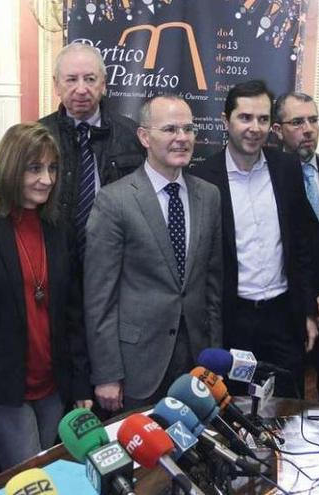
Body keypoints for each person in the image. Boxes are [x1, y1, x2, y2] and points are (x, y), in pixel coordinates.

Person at [84, 95, 223, 412]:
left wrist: (213, 356)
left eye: (188, 129)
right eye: (170, 129)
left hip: (196, 364)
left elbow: (213, 286)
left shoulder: (209, 196)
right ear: (144, 137)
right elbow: (99, 297)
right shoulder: (114, 201)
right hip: (139, 365)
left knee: (194, 456)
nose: (182, 138)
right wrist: (106, 373)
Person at [0, 123, 92, 469]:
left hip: (53, 386)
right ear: (11, 168)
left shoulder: (57, 229)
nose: (47, 179)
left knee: (52, 472)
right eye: (35, 168)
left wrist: (80, 383)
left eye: (52, 168)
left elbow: (73, 313)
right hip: (5, 390)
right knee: (33, 478)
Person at [189, 80, 318, 398]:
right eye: (245, 118)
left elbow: (303, 244)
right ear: (225, 121)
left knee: (287, 409)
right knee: (233, 409)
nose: (254, 128)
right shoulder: (204, 179)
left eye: (262, 119)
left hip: (283, 317)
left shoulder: (287, 169)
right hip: (233, 320)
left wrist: (308, 311)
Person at [272, 91, 319, 402]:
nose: (308, 129)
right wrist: (307, 303)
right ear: (277, 130)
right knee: (288, 405)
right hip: (288, 309)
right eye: (298, 122)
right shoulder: (267, 178)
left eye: (313, 120)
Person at [39, 42, 145, 256]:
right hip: (53, 257)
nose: (81, 89)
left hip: (117, 257)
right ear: (56, 85)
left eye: (90, 79)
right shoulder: (37, 136)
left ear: (104, 84)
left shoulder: (132, 135)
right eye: (71, 79)